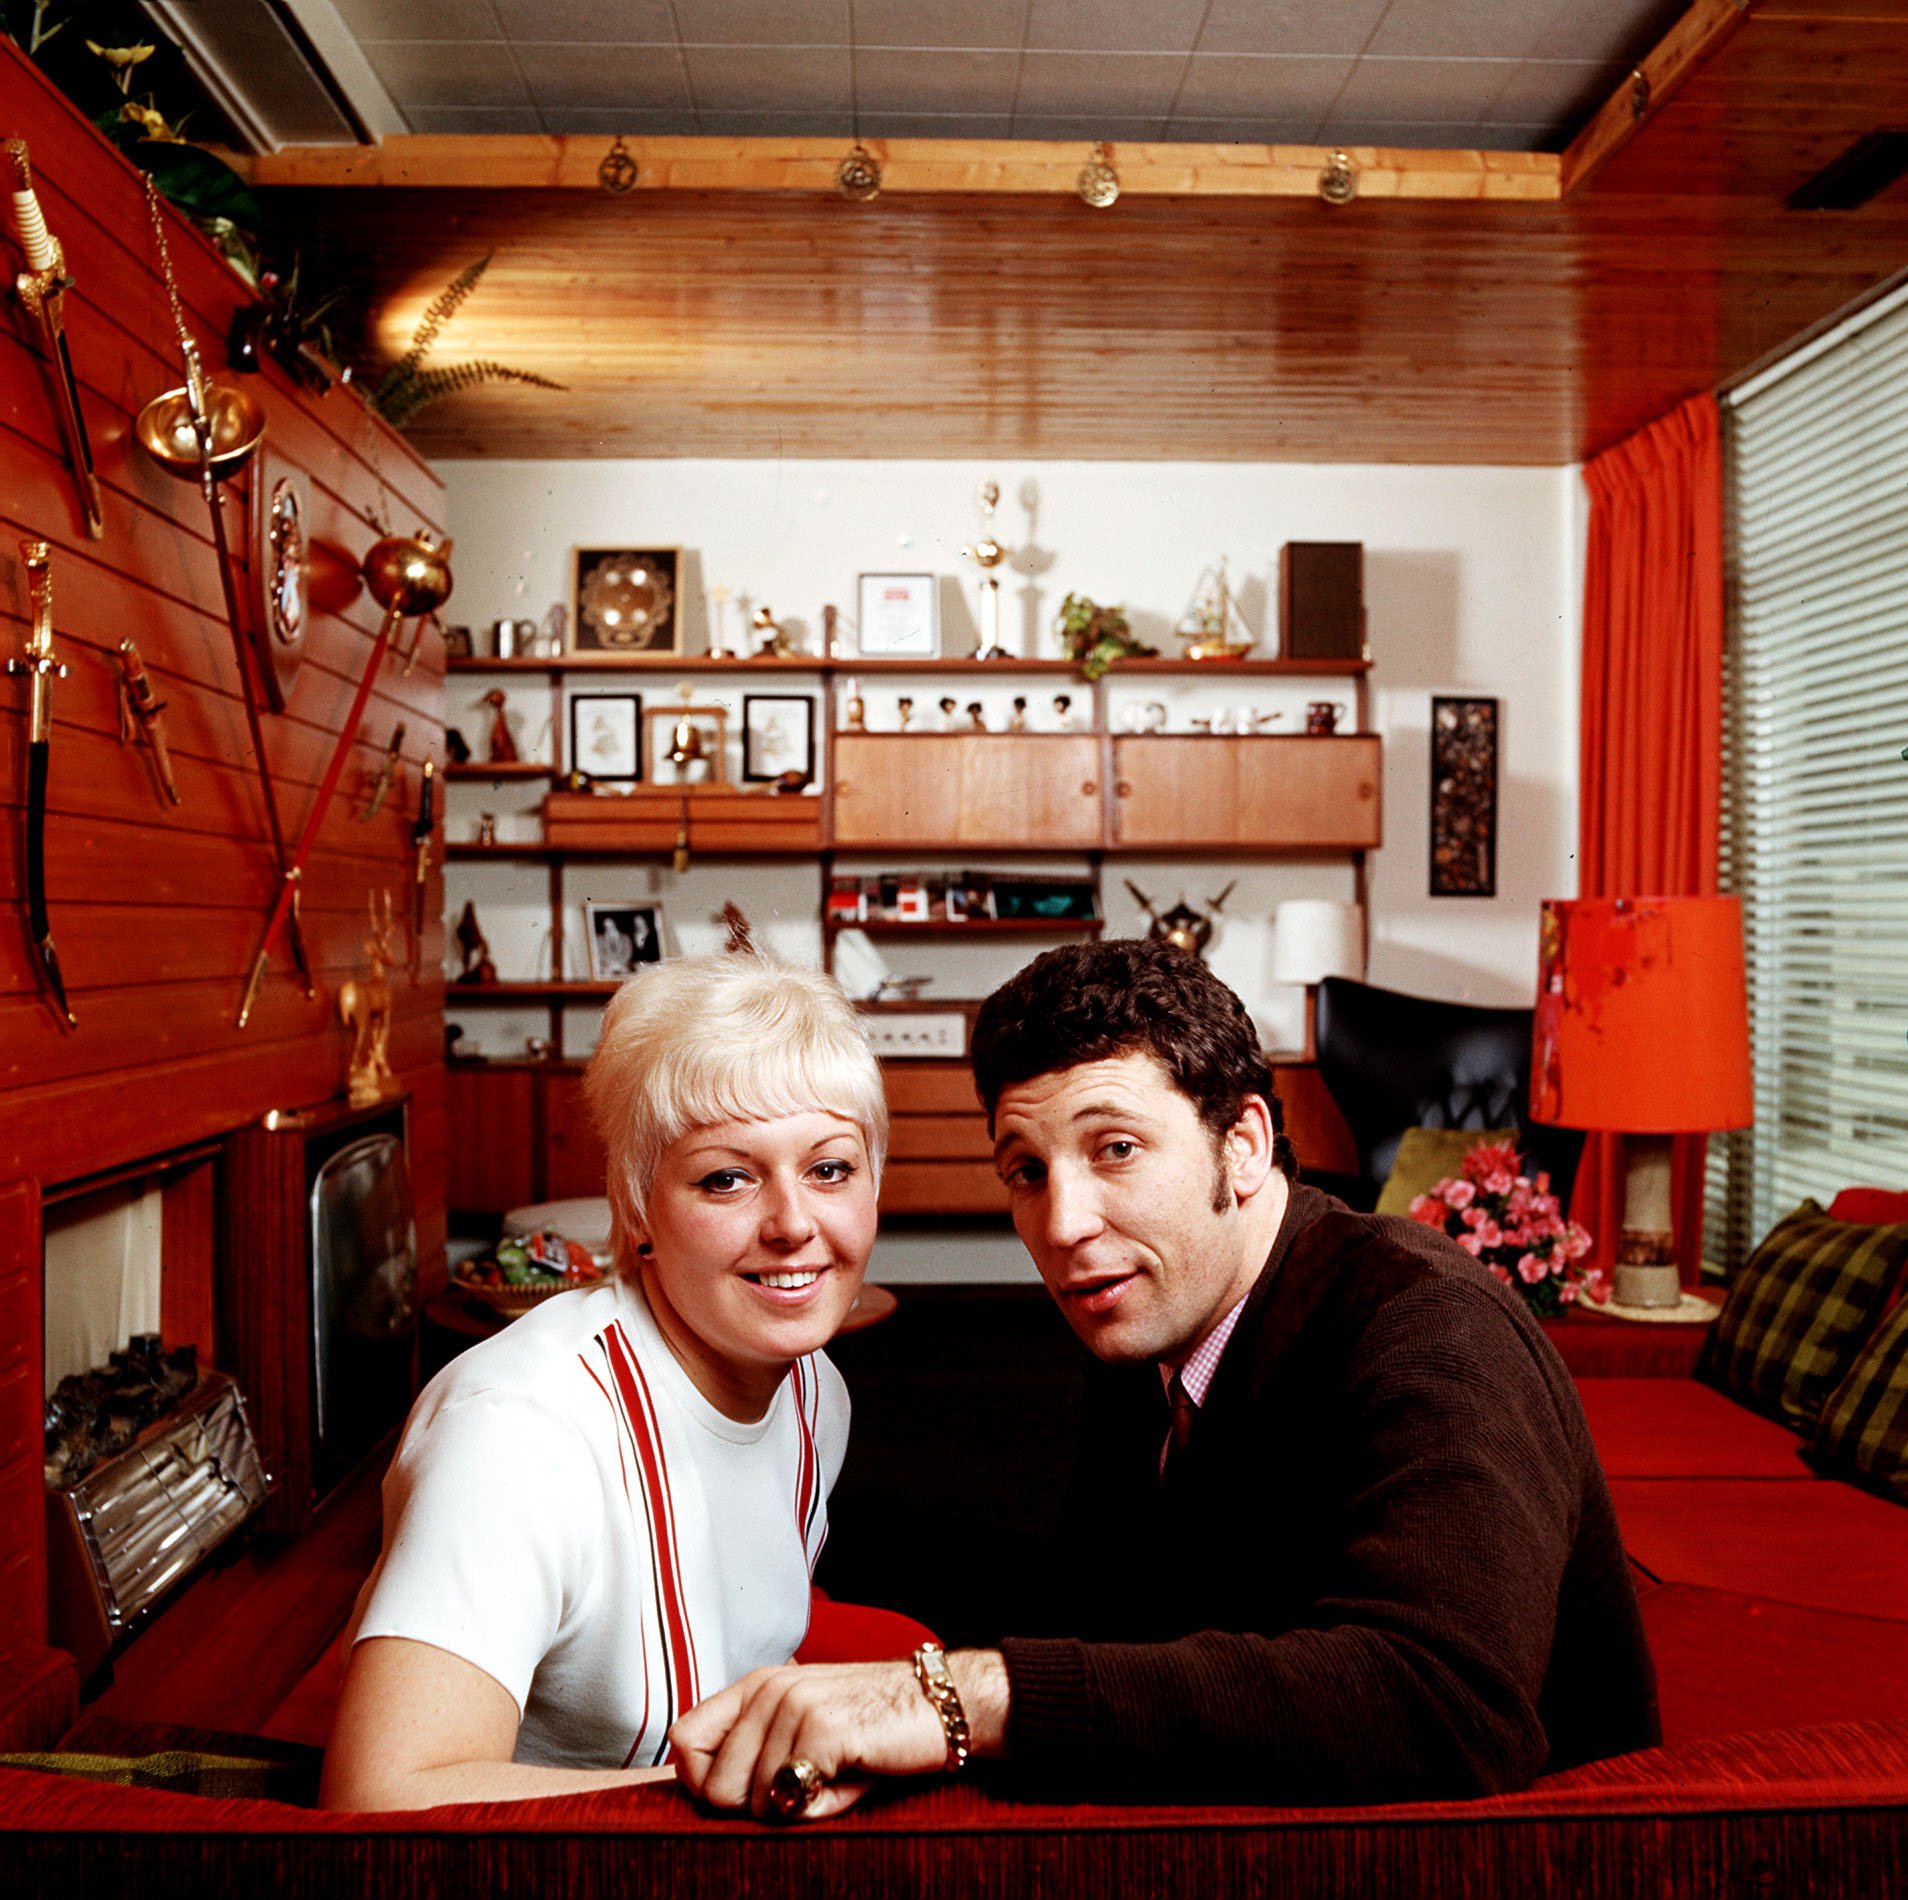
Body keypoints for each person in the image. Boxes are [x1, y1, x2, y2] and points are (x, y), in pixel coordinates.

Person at [669, 939, 1658, 1819]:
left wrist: (952, 1698)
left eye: (1118, 1149)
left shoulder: (1427, 1326)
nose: (1062, 1225)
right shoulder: (1152, 1321)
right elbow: (1097, 1620)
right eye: (1026, 1169)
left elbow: (1447, 1703)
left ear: (1245, 1146)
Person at [321, 953, 887, 1810]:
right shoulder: (518, 1433)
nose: (793, 1224)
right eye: (726, 1177)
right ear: (635, 1210)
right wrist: (751, 1793)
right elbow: (380, 1799)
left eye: (831, 1168)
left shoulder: (815, 1390)